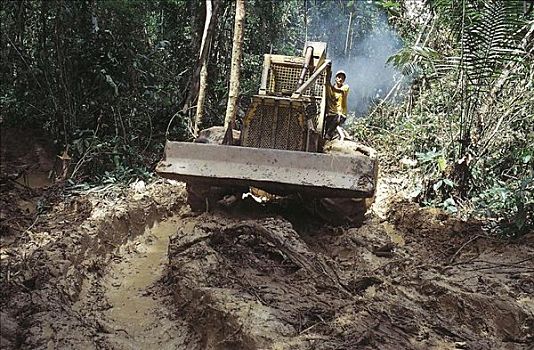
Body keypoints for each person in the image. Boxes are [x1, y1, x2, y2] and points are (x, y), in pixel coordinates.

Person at [325, 69, 350, 140]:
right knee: (326, 129)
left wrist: (328, 82)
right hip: (330, 114)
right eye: (339, 77)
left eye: (342, 78)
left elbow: (338, 90)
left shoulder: (345, 87)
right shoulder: (329, 88)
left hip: (341, 114)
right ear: (335, 78)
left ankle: (330, 135)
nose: (340, 79)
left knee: (336, 120)